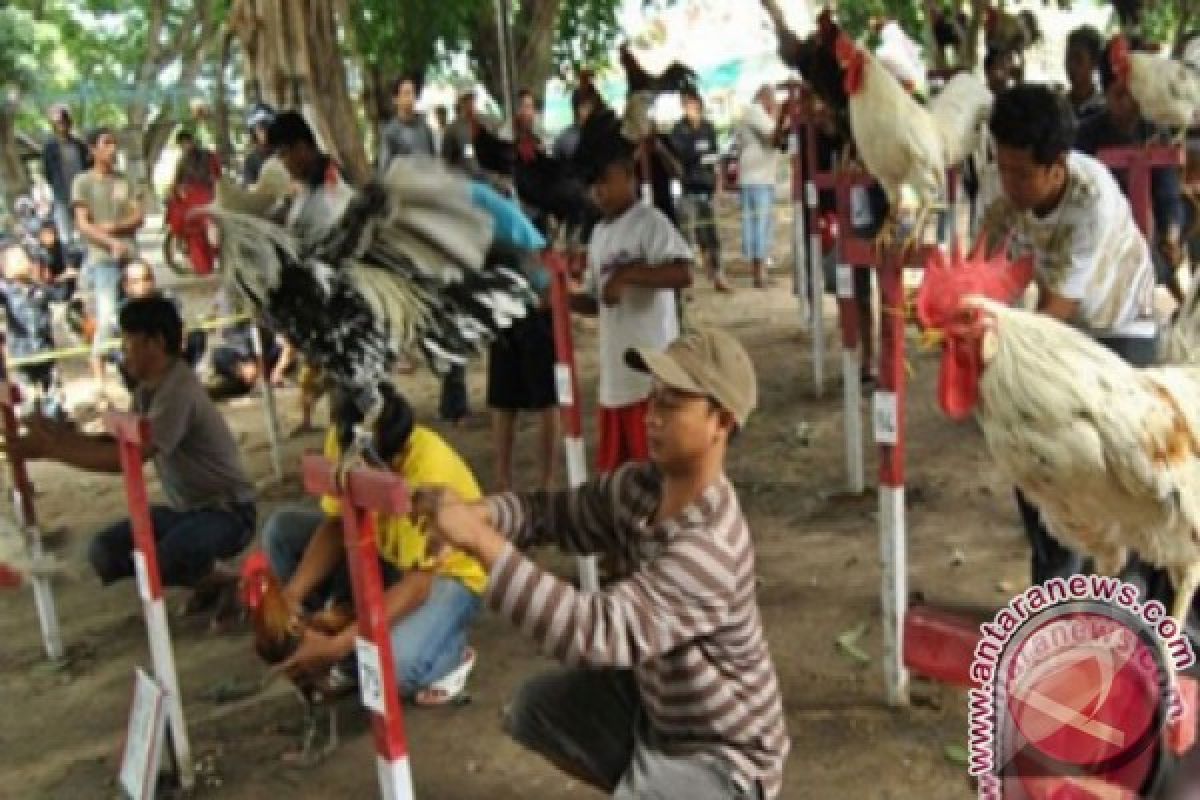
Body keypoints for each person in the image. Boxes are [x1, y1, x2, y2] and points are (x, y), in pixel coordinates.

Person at [414, 327, 790, 798]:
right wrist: (483, 513)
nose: (652, 416)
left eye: (673, 403)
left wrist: (479, 541)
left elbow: (591, 632)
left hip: (723, 753)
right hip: (658, 709)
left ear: (723, 422)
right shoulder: (641, 487)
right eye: (653, 398)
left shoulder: (710, 548)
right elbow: (551, 513)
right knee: (535, 709)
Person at [980, 85, 1170, 604]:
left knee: (1128, 471)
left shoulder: (1093, 202)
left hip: (1119, 324)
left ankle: (1145, 599)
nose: (1009, 182)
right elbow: (986, 267)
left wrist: (1002, 355)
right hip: (1061, 327)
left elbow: (1054, 315)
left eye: (1021, 173)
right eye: (1002, 167)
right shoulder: (1004, 193)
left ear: (1057, 166)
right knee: (1036, 464)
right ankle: (1056, 587)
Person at [10, 295, 256, 610]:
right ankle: (208, 579)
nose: (123, 354)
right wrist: (59, 438)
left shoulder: (178, 389)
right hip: (187, 512)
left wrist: (54, 447)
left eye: (129, 344)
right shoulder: (148, 390)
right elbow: (119, 447)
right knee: (106, 551)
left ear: (155, 342)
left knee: (166, 557)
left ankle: (227, 580)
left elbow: (128, 459)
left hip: (229, 512)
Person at [264, 384, 483, 706]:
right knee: (282, 531)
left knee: (391, 671)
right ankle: (327, 639)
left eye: (377, 462)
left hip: (447, 576)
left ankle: (449, 653)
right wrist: (291, 597)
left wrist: (339, 645)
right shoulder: (343, 441)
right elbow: (339, 524)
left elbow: (417, 586)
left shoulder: (426, 474)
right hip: (387, 553)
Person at [572, 129, 694, 472]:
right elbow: (600, 300)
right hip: (614, 378)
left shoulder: (650, 223)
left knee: (655, 472)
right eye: (594, 186)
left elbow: (682, 274)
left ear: (628, 176)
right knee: (618, 478)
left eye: (606, 182)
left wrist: (628, 276)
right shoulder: (598, 234)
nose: (600, 192)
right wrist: (564, 301)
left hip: (650, 372)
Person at [1077, 41, 1187, 308]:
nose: (1129, 104)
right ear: (1104, 93)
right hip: (1095, 246)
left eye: (1134, 95)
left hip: (1142, 246)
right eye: (1119, 95)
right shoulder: (1084, 134)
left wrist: (1171, 231)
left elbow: (1168, 191)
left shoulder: (1154, 131)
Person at [73, 126, 144, 403]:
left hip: (130, 256)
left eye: (114, 143)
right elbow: (83, 224)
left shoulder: (126, 181)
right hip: (102, 259)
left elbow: (138, 216)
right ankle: (100, 381)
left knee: (141, 312)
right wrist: (109, 241)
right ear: (92, 150)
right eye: (106, 143)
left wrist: (114, 227)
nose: (112, 148)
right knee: (105, 319)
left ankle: (139, 371)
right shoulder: (83, 182)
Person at [670, 88, 730, 292]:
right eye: (686, 104)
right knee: (687, 237)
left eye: (693, 103)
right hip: (687, 189)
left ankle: (717, 274)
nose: (690, 108)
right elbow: (680, 157)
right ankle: (686, 282)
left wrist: (719, 185)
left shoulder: (708, 128)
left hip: (707, 188)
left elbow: (716, 158)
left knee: (712, 236)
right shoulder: (679, 130)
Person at [0, 241, 65, 417]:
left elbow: (61, 294)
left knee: (53, 402)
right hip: (21, 355)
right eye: (12, 261)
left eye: (22, 258)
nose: (19, 263)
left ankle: (55, 425)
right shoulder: (6, 292)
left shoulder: (41, 289)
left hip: (45, 352)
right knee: (27, 404)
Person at [737, 85, 781, 288]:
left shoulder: (755, 113)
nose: (774, 103)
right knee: (759, 226)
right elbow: (775, 135)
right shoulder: (755, 111)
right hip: (757, 179)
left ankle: (760, 270)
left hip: (760, 177)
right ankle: (759, 272)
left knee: (760, 225)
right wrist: (780, 115)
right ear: (764, 98)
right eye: (772, 99)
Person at [41, 104, 90, 246]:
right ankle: (69, 264)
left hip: (81, 196)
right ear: (53, 125)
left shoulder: (79, 145)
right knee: (65, 237)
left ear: (69, 123)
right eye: (57, 123)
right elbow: (48, 173)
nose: (61, 125)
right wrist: (58, 188)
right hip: (62, 197)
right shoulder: (49, 147)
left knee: (85, 232)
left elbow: (87, 168)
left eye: (63, 121)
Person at [377, 74, 436, 172]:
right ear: (396, 99)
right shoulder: (390, 132)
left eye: (413, 93)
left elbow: (434, 160)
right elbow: (385, 170)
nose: (411, 98)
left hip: (428, 184)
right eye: (406, 93)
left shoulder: (425, 128)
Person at [1065, 26, 1107, 125]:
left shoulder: (1103, 110)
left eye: (1078, 59)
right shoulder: (1058, 107)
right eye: (1068, 58)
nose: (1071, 66)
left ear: (1094, 63)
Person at [242, 103, 276, 186]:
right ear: (254, 131)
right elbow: (251, 191)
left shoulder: (286, 152)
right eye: (260, 127)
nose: (264, 131)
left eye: (267, 125)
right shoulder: (251, 161)